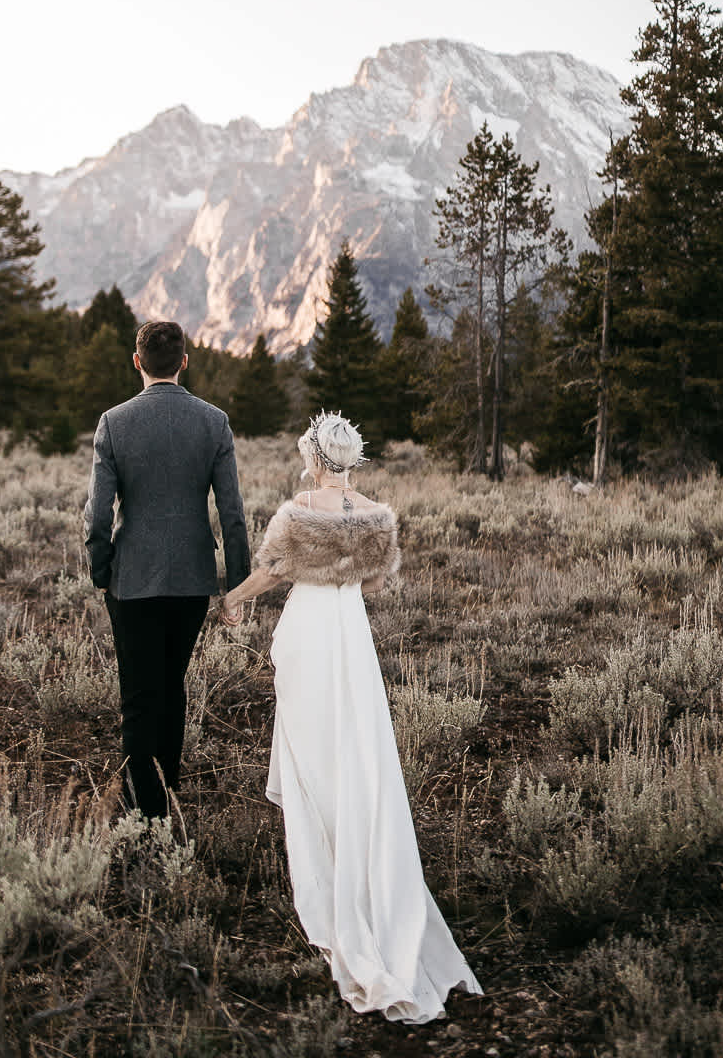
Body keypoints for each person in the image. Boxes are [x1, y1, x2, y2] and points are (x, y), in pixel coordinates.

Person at [221, 410, 481, 1025]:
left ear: (314, 456)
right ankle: (360, 861)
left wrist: (231, 598)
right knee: (354, 746)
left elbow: (273, 571)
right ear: (350, 460)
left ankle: (329, 868)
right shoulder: (374, 516)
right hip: (349, 634)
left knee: (314, 750)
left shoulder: (300, 509)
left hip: (312, 630)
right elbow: (368, 583)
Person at [84, 318, 250, 820]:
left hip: (131, 579)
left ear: (137, 362)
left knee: (138, 695)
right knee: (171, 686)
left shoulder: (113, 422)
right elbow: (232, 511)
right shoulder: (214, 421)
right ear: (184, 361)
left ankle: (143, 808)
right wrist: (237, 586)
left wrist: (101, 570)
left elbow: (98, 513)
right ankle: (165, 793)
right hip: (191, 581)